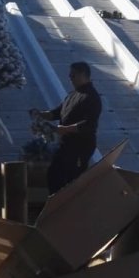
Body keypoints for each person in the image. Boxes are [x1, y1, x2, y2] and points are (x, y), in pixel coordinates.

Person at [32, 61, 103, 194]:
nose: (70, 78)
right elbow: (57, 112)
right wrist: (41, 114)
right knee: (54, 174)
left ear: (83, 74)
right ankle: (55, 205)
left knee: (72, 180)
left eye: (73, 75)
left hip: (80, 146)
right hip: (66, 144)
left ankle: (72, 210)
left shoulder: (92, 97)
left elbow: (88, 124)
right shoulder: (72, 94)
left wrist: (65, 129)